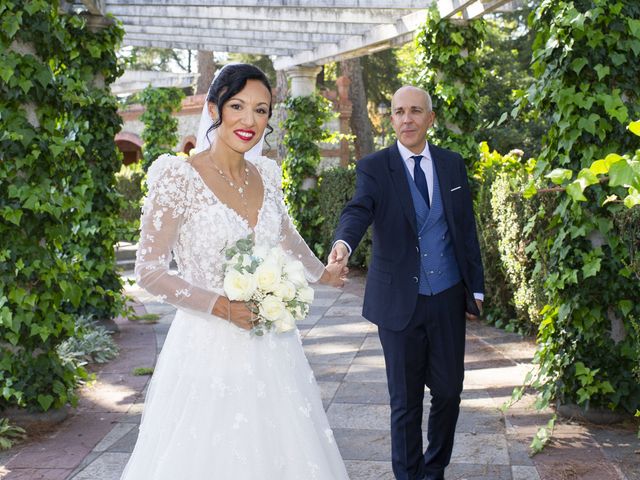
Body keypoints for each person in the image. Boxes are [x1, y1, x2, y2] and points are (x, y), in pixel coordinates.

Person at [120, 64, 349, 480]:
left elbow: (285, 236)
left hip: (272, 346)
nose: (250, 120)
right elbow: (149, 270)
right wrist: (220, 306)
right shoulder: (178, 177)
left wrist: (322, 274)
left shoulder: (265, 174)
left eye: (261, 110)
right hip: (206, 347)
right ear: (214, 109)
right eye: (238, 106)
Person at [329, 85, 485, 480]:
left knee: (449, 392)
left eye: (415, 111)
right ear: (392, 119)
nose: (407, 119)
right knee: (405, 401)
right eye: (399, 112)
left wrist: (476, 288)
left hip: (447, 295)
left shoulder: (452, 165)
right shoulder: (375, 167)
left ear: (429, 118)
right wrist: (344, 243)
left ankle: (434, 469)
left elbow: (466, 229)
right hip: (399, 301)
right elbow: (358, 209)